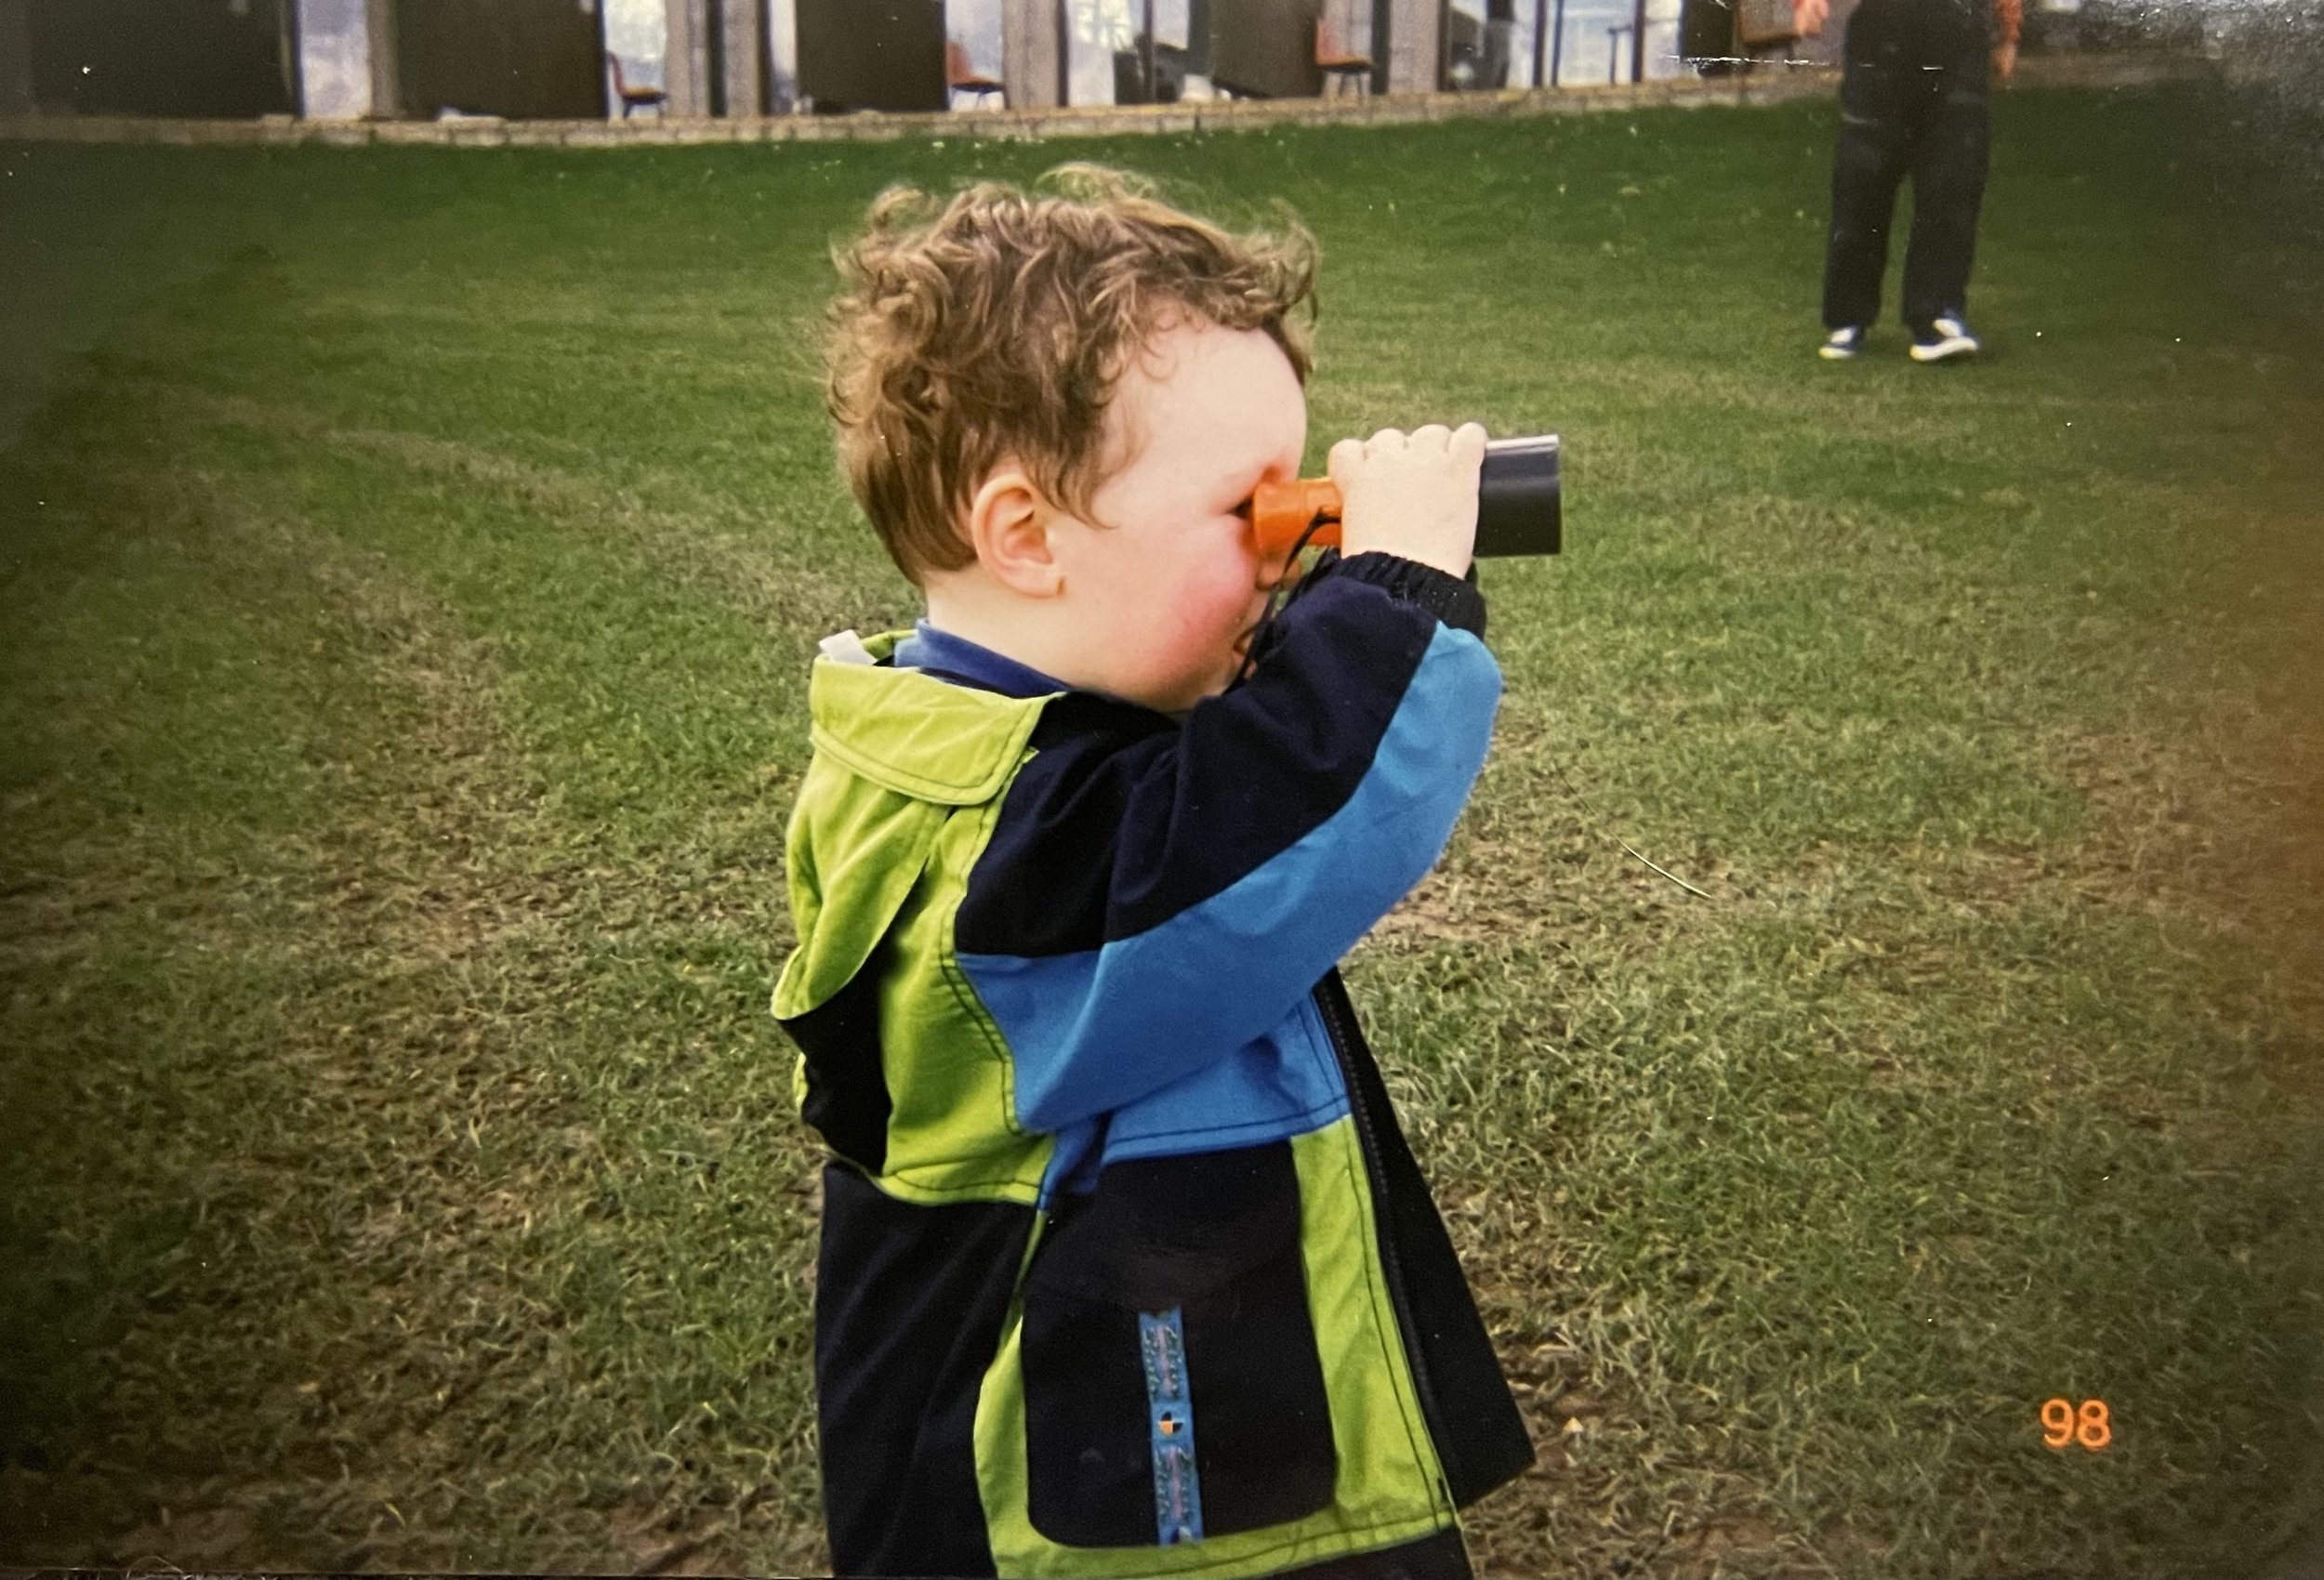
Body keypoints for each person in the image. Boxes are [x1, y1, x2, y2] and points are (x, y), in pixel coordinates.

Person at [776, 165, 1533, 1579]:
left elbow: (1223, 778)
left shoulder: (977, 744)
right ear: (1026, 537)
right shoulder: (995, 848)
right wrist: (1395, 594)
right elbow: (1291, 815)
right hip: (1099, 1523)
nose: (1290, 551)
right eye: (1251, 510)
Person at [1796, 0, 2022, 361]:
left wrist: (2008, 31)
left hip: (1960, 34)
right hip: (1882, 31)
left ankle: (1936, 316)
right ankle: (1848, 316)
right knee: (1862, 179)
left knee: (1954, 178)